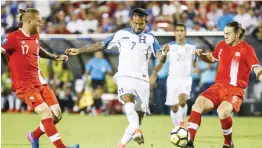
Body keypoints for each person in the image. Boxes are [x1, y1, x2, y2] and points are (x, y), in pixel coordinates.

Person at [65, 8, 168, 148]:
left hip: (142, 80)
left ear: (146, 22)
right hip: (125, 76)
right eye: (136, 23)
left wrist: (165, 54)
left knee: (137, 118)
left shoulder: (150, 38)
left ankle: (121, 144)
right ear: (132, 20)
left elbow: (160, 56)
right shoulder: (121, 34)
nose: (138, 26)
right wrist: (79, 50)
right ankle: (137, 130)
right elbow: (101, 45)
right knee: (127, 98)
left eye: (141, 24)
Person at [1, 8, 79, 148]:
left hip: (40, 81)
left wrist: (54, 57)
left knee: (56, 115)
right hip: (24, 85)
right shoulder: (13, 37)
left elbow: (37, 49)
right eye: (38, 21)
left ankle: (33, 136)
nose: (41, 24)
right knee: (45, 112)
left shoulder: (35, 34)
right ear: (29, 21)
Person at [186, 21, 262, 148]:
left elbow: (257, 68)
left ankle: (228, 144)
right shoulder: (221, 45)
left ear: (237, 34)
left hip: (235, 90)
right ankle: (189, 141)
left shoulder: (247, 49)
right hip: (217, 87)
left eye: (228, 34)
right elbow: (212, 58)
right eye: (224, 33)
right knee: (197, 104)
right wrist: (202, 56)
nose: (225, 36)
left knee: (223, 111)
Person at [163, 24, 197, 127]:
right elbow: (163, 60)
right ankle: (176, 127)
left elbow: (195, 59)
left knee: (182, 100)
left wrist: (195, 68)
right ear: (174, 33)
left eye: (182, 30)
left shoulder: (191, 47)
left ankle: (181, 123)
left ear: (185, 32)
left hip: (185, 78)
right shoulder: (170, 46)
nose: (179, 32)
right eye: (177, 30)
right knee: (174, 107)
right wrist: (164, 54)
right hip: (173, 79)